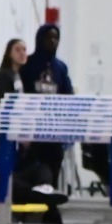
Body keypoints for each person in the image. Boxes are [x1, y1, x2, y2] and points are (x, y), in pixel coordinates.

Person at [17, 23, 74, 186]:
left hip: (53, 131)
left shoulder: (60, 68)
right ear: (40, 39)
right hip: (32, 130)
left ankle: (50, 206)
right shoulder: (27, 65)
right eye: (49, 37)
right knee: (29, 171)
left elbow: (68, 95)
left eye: (56, 38)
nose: (53, 41)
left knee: (52, 170)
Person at [0, 38, 26, 114]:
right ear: (9, 53)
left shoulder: (17, 75)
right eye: (17, 50)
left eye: (24, 50)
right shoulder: (4, 76)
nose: (22, 53)